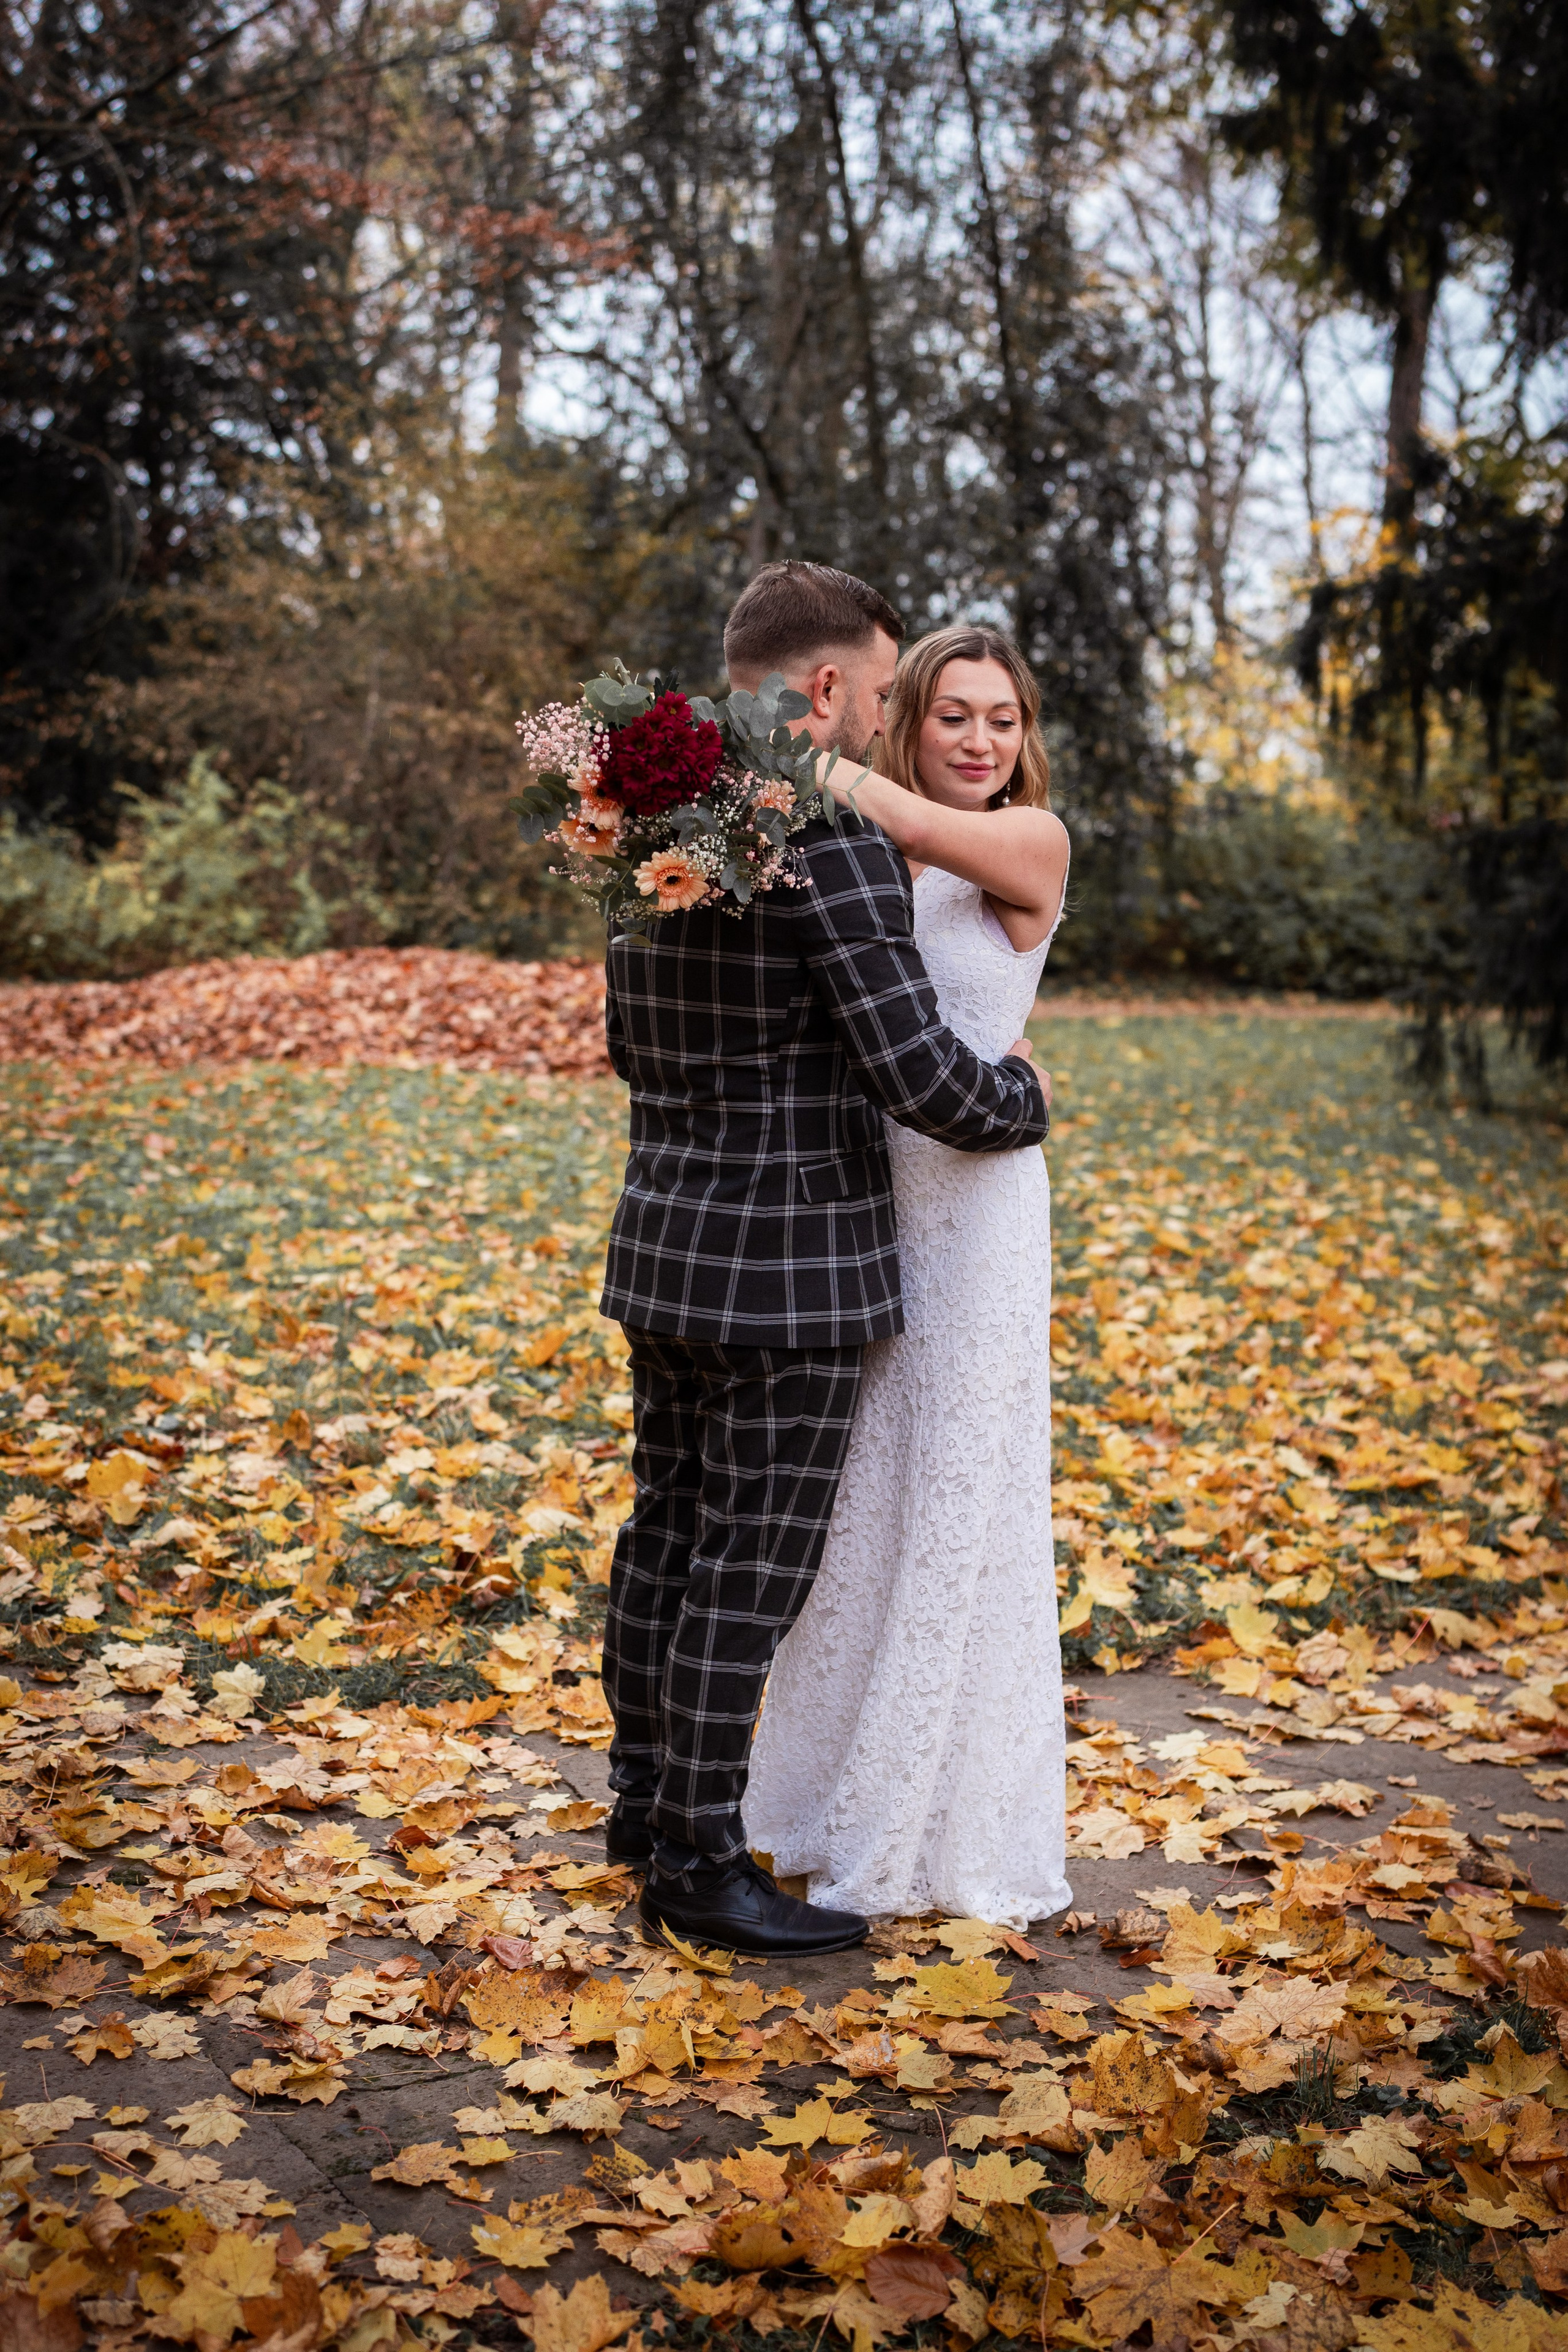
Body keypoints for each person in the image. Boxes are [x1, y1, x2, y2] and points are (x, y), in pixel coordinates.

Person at [598, 564, 1052, 1959]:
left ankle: (642, 1808)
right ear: (827, 690)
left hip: (666, 1238)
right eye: (890, 679)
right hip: (790, 1267)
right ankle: (693, 1862)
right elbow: (917, 1069)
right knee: (748, 1572)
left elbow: (631, 1038)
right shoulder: (823, 836)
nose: (903, 706)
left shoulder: (648, 821)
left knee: (666, 1539)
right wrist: (1024, 1102)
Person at [745, 624, 1072, 1929]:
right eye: (950, 716)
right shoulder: (859, 849)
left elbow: (922, 838)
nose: (980, 741)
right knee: (858, 1513)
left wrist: (791, 747)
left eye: (1000, 717)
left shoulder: (1030, 840)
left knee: (960, 1508)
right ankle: (819, 1800)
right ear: (910, 723)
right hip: (858, 1203)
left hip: (979, 1212)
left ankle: (942, 1829)